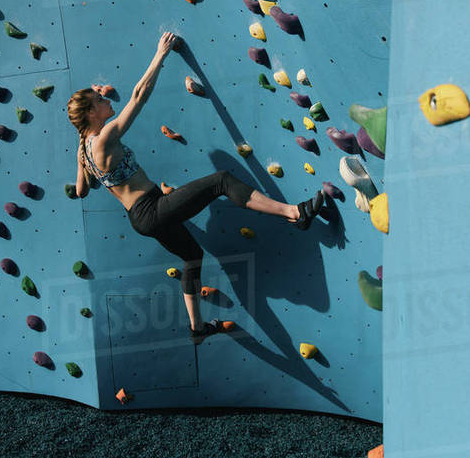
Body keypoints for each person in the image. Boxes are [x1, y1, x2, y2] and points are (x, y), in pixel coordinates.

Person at [66, 32, 327, 345]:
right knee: (221, 181)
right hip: (151, 209)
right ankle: (294, 213)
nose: (106, 100)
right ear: (91, 114)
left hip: (140, 217)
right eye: (100, 101)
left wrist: (84, 159)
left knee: (192, 255)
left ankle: (197, 327)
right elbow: (138, 96)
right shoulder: (104, 139)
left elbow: (82, 191)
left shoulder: (83, 149)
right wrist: (160, 54)